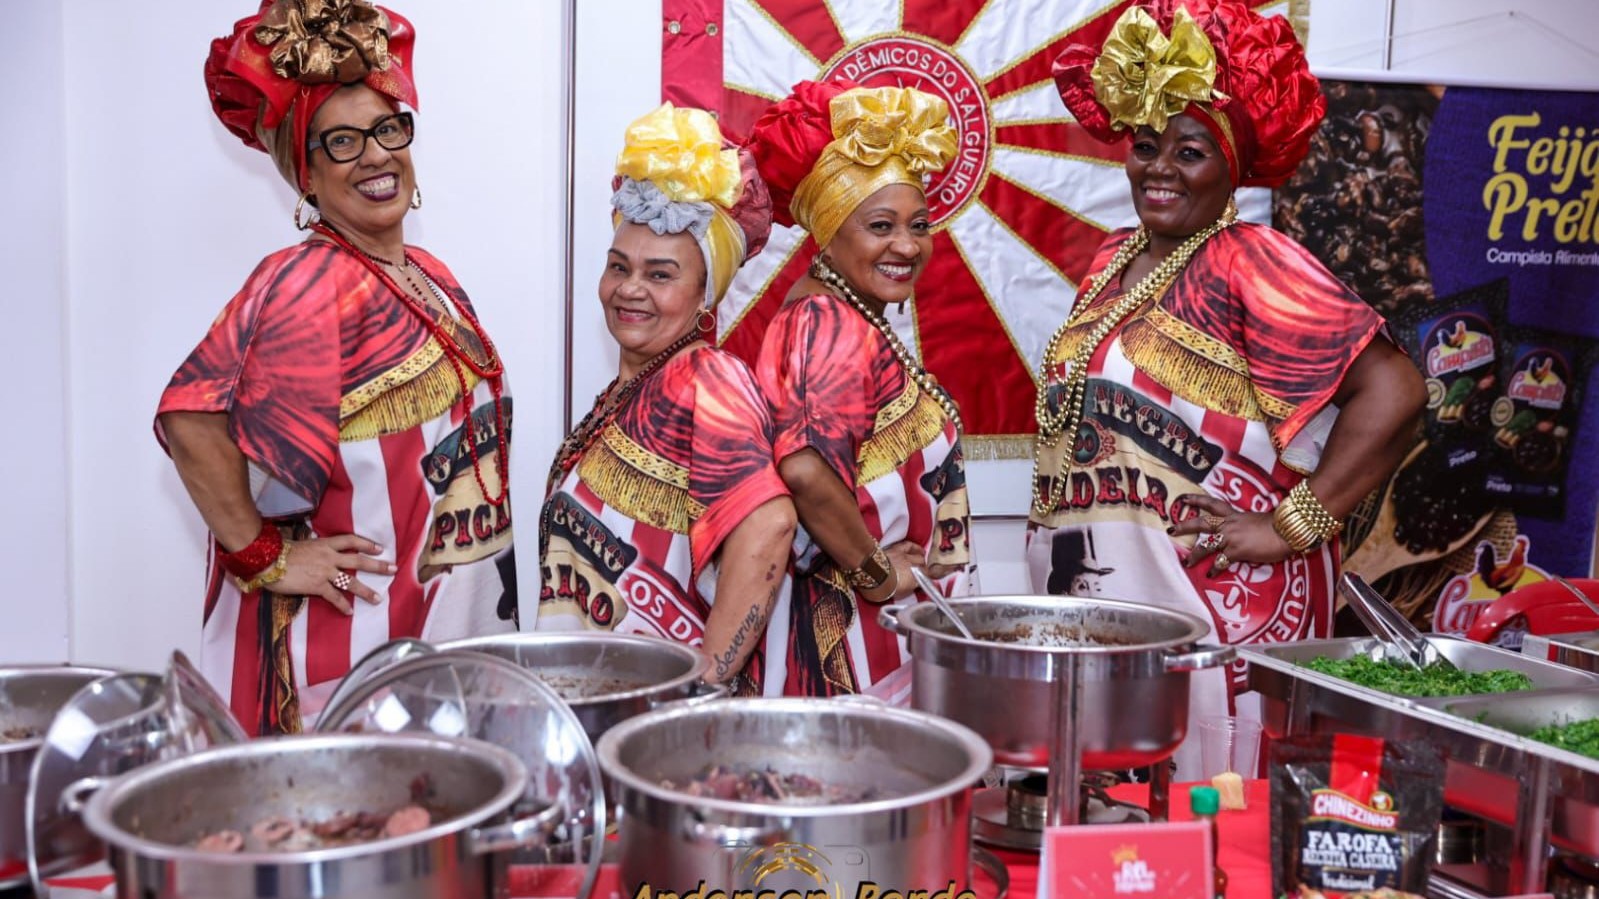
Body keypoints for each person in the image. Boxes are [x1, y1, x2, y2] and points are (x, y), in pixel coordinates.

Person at [1037, 0, 1425, 775]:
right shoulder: (1113, 257)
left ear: (1232, 166)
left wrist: (1292, 524)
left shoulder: (1254, 259)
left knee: (1212, 820)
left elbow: (1397, 390)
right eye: (1147, 145)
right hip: (1117, 600)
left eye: (1190, 152)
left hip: (1223, 608)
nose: (1159, 169)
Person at [158, 0, 517, 734]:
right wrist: (265, 556)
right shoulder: (308, 281)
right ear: (307, 178)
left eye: (388, 128)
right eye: (342, 142)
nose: (376, 155)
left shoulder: (430, 273)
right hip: (351, 671)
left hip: (437, 652)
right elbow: (192, 416)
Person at [535, 104, 797, 696]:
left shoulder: (706, 380)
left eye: (660, 275)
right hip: (602, 714)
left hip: (658, 736)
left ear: (706, 296)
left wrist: (706, 677)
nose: (629, 288)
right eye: (618, 266)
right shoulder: (634, 387)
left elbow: (771, 523)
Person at [745, 81, 974, 697]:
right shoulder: (828, 323)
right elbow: (805, 470)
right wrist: (876, 575)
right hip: (852, 645)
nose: (906, 245)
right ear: (830, 232)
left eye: (919, 224)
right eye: (880, 225)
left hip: (868, 637)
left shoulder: (839, 312)